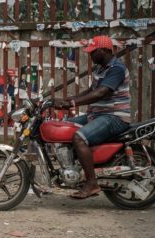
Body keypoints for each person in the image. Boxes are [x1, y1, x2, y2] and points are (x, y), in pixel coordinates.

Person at [53, 36, 131, 199]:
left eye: (93, 51)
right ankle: (75, 170)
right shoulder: (100, 69)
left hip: (114, 117)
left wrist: (72, 103)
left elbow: (101, 92)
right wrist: (64, 100)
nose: (90, 55)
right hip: (97, 115)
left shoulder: (116, 68)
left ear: (104, 51)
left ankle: (91, 183)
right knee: (62, 127)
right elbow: (90, 91)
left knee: (79, 137)